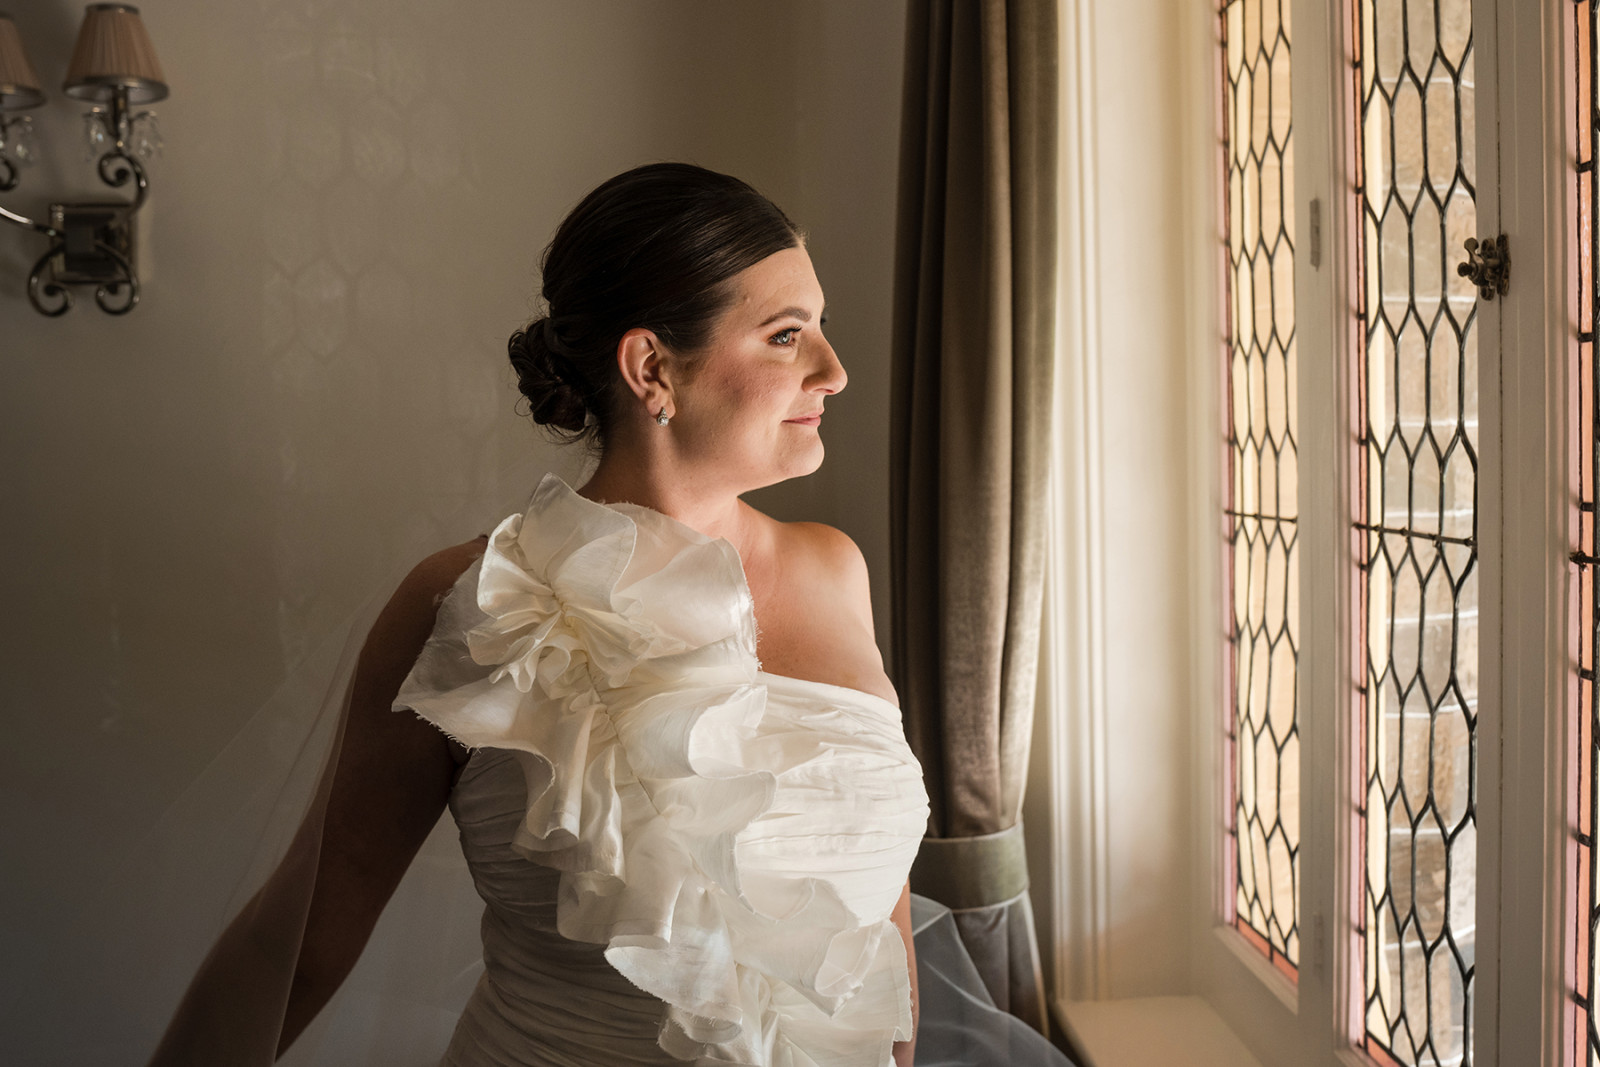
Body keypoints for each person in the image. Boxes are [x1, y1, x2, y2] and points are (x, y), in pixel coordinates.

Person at [148, 162, 931, 1067]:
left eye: (819, 328)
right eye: (787, 336)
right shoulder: (474, 604)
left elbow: (879, 930)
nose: (834, 370)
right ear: (652, 368)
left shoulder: (836, 570)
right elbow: (301, 940)